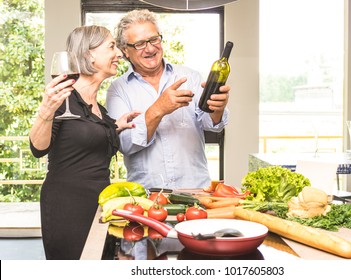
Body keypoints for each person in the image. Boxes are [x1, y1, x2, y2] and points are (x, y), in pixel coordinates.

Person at [29, 25, 140, 260]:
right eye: (111, 47)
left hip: (99, 205)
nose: (119, 53)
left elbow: (88, 142)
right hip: (68, 207)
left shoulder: (98, 109)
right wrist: (46, 112)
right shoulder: (62, 98)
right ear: (89, 54)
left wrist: (114, 127)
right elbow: (38, 148)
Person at [106, 9, 230, 190]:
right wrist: (158, 109)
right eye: (140, 43)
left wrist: (217, 109)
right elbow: (125, 143)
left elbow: (212, 124)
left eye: (154, 39)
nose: (150, 48)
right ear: (125, 50)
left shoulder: (190, 76)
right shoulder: (118, 89)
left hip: (196, 191)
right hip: (147, 196)